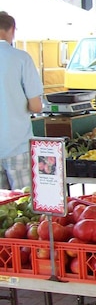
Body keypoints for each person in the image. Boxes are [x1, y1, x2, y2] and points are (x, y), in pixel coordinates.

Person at [0, 11, 43, 190]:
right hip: (17, 145)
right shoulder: (21, 58)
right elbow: (36, 106)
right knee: (23, 204)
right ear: (12, 29)